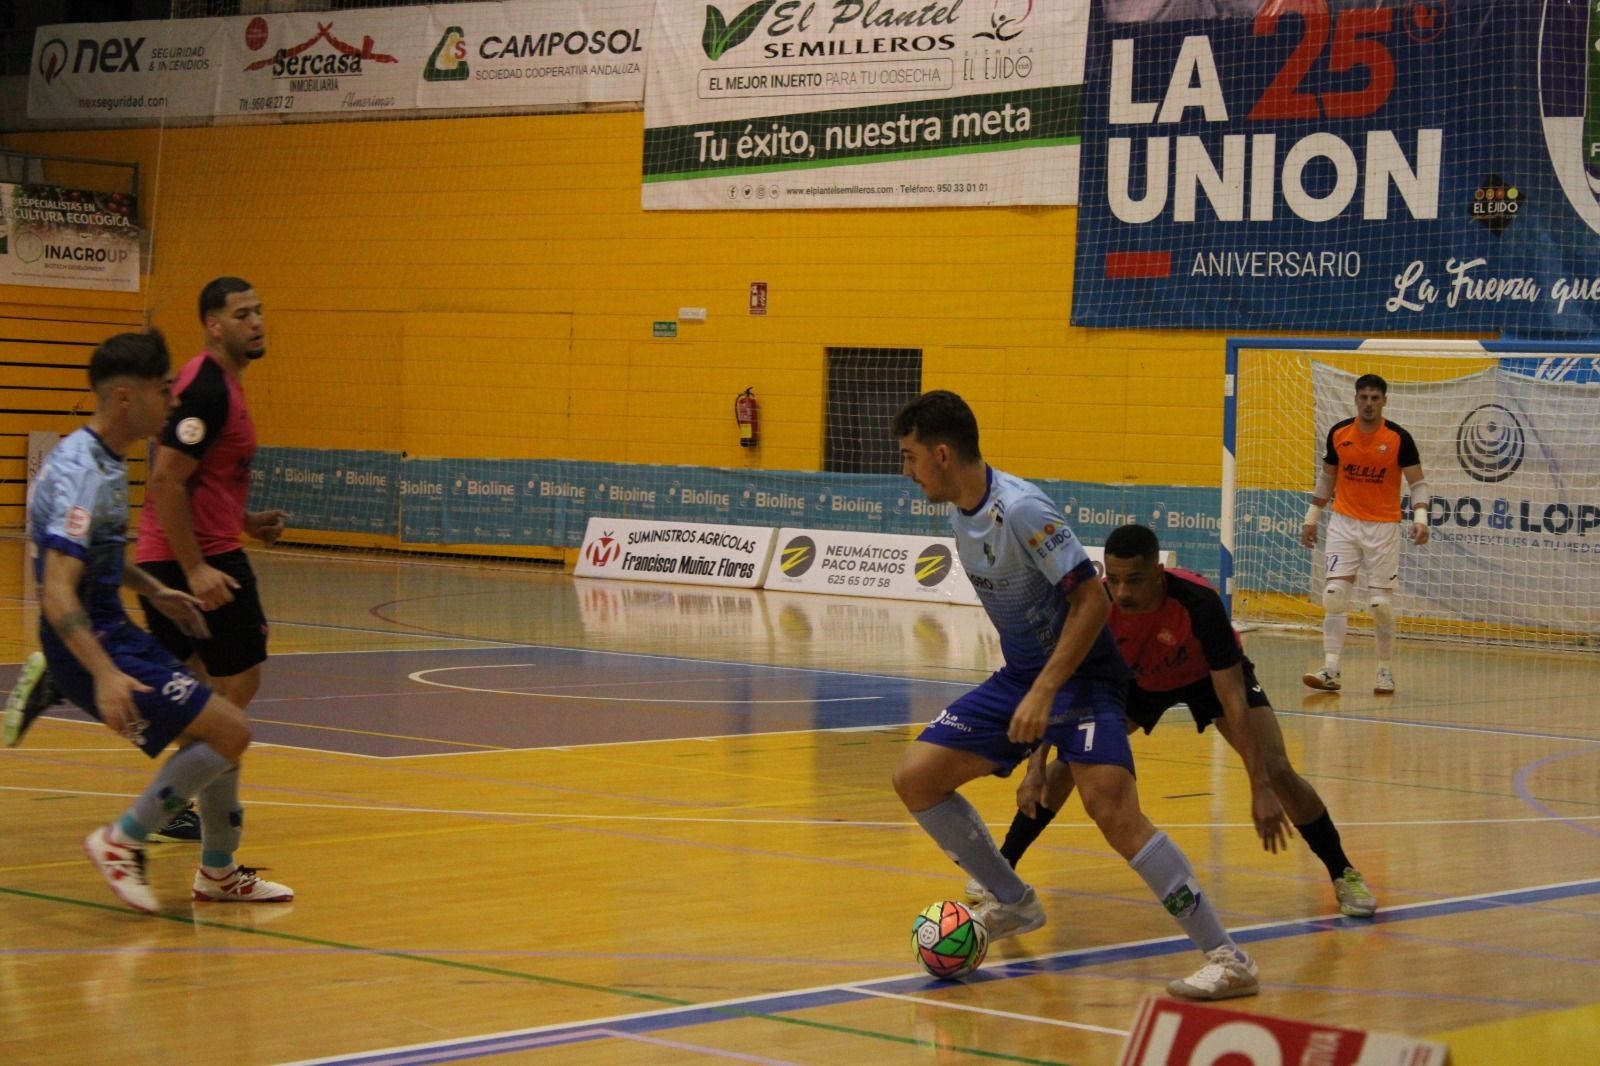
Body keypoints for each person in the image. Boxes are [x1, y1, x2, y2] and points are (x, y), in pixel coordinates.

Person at [891, 391, 1259, 1001]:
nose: (907, 471)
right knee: (916, 777)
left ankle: (1228, 958)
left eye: (910, 456)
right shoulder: (961, 512)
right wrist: (1036, 732)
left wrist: (1046, 693)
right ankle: (1012, 900)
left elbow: (1091, 599)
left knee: (1112, 811)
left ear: (943, 453)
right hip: (1026, 677)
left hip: (1085, 678)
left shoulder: (1022, 509)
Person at [968, 524, 1377, 919]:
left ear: (1159, 574)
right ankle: (1003, 868)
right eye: (1115, 579)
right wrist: (1034, 768)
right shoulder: (1097, 606)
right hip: (1135, 683)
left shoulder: (1198, 602)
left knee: (1277, 768)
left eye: (1135, 580)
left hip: (1206, 679)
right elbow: (1061, 688)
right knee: (1070, 761)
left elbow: (1232, 698)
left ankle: (1343, 872)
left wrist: (1260, 785)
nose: (1123, 592)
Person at [5, 277, 287, 847]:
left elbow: (195, 486)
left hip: (162, 574)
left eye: (259, 311)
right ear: (213, 325)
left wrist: (235, 525)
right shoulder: (194, 398)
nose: (257, 322)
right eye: (242, 314)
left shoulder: (110, 459)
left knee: (207, 705)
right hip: (192, 560)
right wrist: (194, 568)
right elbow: (167, 481)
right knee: (230, 701)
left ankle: (203, 847)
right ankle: (148, 827)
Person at [1301, 373, 1430, 694]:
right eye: (1364, 398)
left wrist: (1421, 517)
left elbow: (1417, 483)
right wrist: (1311, 518)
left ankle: (1384, 670)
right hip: (1343, 523)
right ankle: (1331, 669)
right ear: (1356, 399)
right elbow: (1327, 478)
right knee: (1334, 595)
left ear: (1384, 401)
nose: (1369, 404)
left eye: (1375, 398)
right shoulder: (1339, 433)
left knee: (1380, 605)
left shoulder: (1399, 438)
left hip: (1382, 527)